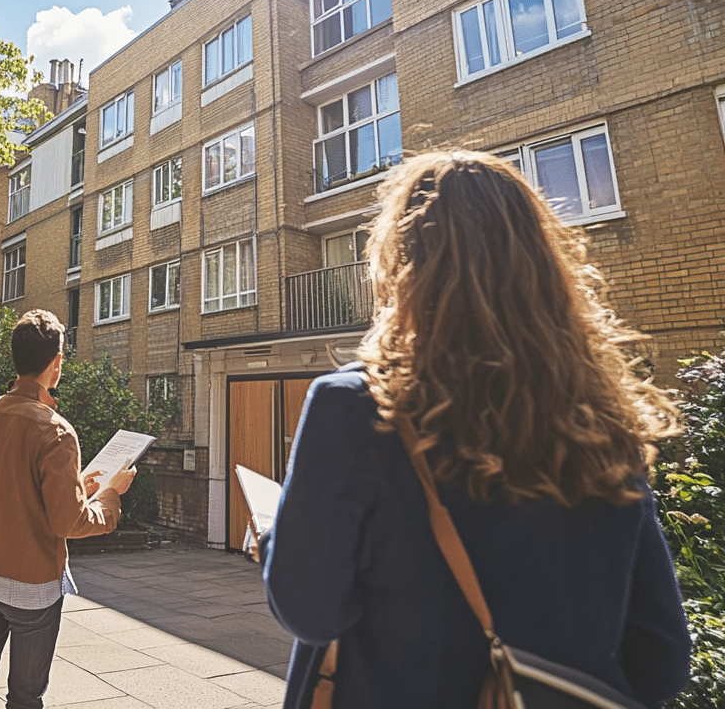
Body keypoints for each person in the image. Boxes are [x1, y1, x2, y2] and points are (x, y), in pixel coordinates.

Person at [263, 150, 690, 709]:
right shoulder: (603, 421)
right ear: (541, 262)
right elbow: (660, 655)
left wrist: (280, 536)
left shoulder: (356, 407)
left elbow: (311, 612)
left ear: (401, 262)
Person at [0, 309, 135, 709]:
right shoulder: (55, 430)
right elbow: (68, 521)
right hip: (30, 587)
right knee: (25, 696)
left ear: (15, 358)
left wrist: (75, 488)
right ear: (57, 361)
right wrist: (110, 495)